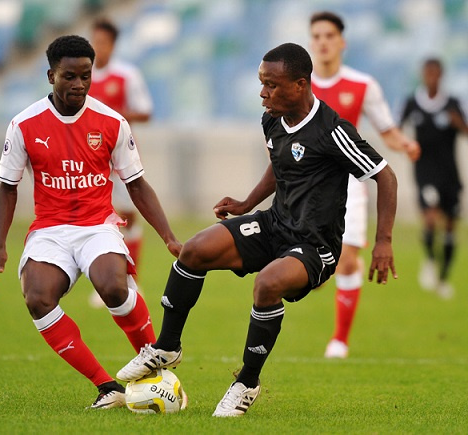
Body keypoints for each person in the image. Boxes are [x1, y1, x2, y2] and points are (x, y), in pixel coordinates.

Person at [116, 43, 398, 417]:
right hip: (274, 223)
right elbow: (279, 164)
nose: (263, 93)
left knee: (267, 283)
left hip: (315, 245)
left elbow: (386, 176)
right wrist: (248, 204)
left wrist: (383, 242)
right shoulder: (272, 119)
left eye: (272, 85)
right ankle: (167, 347)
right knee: (194, 250)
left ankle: (246, 383)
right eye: (262, 83)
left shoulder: (332, 131)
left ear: (300, 84)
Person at [0, 35, 181, 410]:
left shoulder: (111, 121)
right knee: (37, 298)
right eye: (69, 76)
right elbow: (6, 189)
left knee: (112, 287)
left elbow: (136, 183)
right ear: (50, 75)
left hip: (97, 225)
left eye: (85, 76)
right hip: (50, 231)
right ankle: (107, 386)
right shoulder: (24, 124)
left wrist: (169, 237)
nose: (79, 85)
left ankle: (157, 362)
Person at [309, 11, 420, 359]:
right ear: (311, 42)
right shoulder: (300, 84)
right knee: (314, 273)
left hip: (349, 184)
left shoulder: (362, 85)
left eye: (329, 36)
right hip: (306, 186)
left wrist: (405, 144)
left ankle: (339, 340)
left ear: (342, 42)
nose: (323, 42)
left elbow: (387, 129)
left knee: (346, 260)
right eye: (317, 36)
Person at [87, 17, 154, 308]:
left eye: (102, 42)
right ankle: (104, 283)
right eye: (94, 42)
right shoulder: (81, 74)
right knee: (97, 220)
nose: (97, 48)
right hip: (89, 161)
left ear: (112, 45)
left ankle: (131, 281)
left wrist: (114, 114)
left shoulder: (126, 75)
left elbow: (146, 112)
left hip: (121, 157)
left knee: (127, 217)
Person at [400, 58, 468, 299]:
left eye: (436, 74)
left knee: (450, 226)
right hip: (424, 171)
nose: (431, 78)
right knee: (429, 218)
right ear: (422, 75)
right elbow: (397, 130)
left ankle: (443, 278)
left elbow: (465, 131)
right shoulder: (412, 103)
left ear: (441, 76)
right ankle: (429, 260)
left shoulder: (451, 104)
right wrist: (405, 145)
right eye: (428, 74)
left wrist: (457, 122)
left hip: (450, 173)